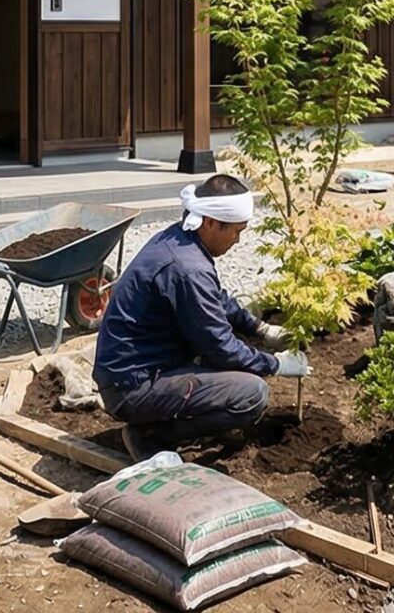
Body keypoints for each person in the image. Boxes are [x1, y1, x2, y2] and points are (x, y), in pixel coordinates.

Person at [92, 174, 306, 453]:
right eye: (236, 231)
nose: (238, 240)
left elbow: (214, 298)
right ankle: (153, 436)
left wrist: (259, 328)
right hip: (132, 388)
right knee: (252, 393)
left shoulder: (180, 239)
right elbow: (220, 346)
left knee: (230, 369)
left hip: (134, 371)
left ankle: (161, 422)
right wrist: (275, 364)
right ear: (210, 223)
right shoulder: (188, 268)